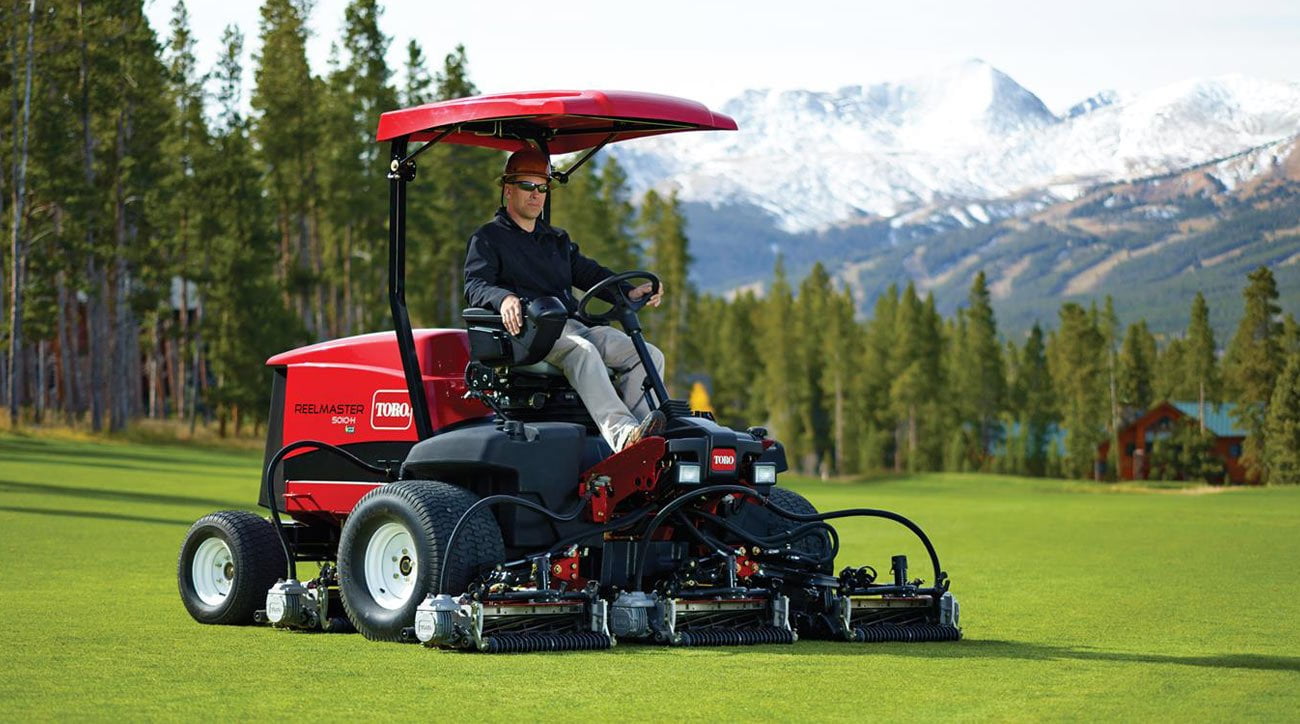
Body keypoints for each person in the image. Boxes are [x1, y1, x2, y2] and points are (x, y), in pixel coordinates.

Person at [464, 147, 667, 451]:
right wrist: (504, 298)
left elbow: (588, 273)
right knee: (583, 352)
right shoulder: (489, 238)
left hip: (573, 325)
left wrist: (628, 291)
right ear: (508, 190)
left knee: (647, 353)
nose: (536, 194)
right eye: (527, 186)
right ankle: (623, 436)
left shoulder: (555, 240)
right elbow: (476, 284)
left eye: (542, 187)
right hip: (531, 334)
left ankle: (644, 437)